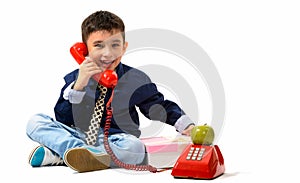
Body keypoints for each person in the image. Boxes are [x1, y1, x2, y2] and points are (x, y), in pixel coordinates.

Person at [26, 10, 195, 173]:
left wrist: (185, 125)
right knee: (36, 122)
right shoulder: (76, 79)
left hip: (117, 139)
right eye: (98, 45)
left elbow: (158, 106)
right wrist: (79, 85)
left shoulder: (135, 78)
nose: (108, 53)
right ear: (84, 49)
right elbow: (62, 118)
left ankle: (63, 155)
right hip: (78, 134)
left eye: (115, 45)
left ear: (124, 47)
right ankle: (79, 153)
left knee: (134, 147)